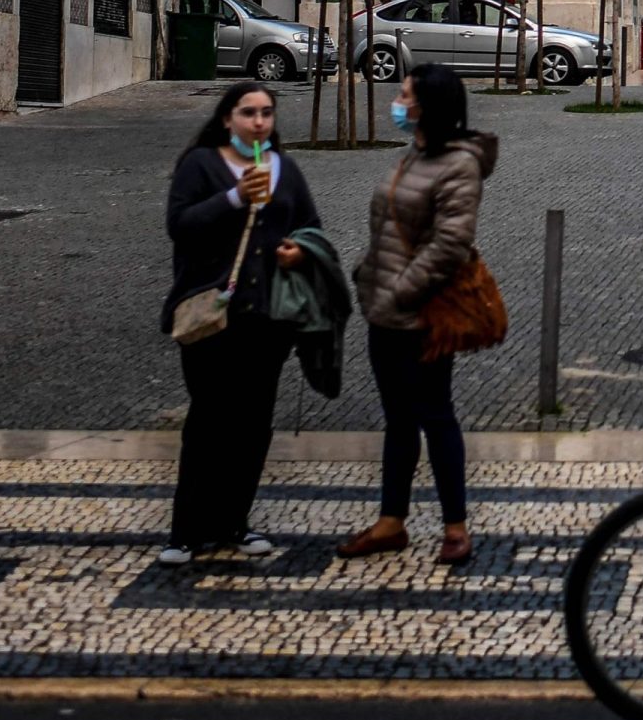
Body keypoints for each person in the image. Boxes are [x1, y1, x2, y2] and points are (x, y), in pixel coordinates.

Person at [341, 64, 498, 566]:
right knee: (398, 421)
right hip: (384, 311)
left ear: (427, 105)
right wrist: (369, 274)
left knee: (435, 415)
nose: (396, 101)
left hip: (420, 314)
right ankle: (392, 521)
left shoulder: (458, 164)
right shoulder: (416, 153)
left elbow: (449, 244)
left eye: (404, 95)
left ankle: (456, 527)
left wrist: (400, 293)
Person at [160, 81, 321, 566]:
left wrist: (300, 250)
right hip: (211, 317)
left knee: (253, 425)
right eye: (248, 112)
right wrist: (233, 198)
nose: (258, 122)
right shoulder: (201, 165)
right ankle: (186, 530)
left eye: (267, 113)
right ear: (227, 118)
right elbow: (180, 226)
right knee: (209, 421)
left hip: (267, 320)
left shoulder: (285, 170)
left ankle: (235, 521)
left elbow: (311, 227)